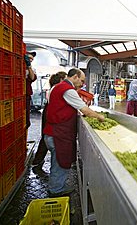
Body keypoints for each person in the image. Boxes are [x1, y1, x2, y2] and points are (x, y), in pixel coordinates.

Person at [43, 68, 105, 197]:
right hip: (58, 134)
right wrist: (100, 117)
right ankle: (56, 190)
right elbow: (85, 110)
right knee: (60, 163)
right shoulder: (68, 90)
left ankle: (56, 186)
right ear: (75, 77)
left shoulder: (57, 87)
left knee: (57, 162)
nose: (82, 84)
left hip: (51, 132)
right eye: (81, 81)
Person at [32, 72, 67, 173]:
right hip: (49, 113)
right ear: (60, 79)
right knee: (45, 136)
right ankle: (37, 161)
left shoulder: (55, 88)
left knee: (45, 136)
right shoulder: (57, 88)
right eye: (65, 79)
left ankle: (37, 161)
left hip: (48, 111)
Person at [25, 51, 37, 129]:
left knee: (26, 116)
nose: (30, 60)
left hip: (26, 94)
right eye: (29, 58)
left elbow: (32, 78)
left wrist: (29, 66)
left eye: (32, 59)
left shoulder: (31, 69)